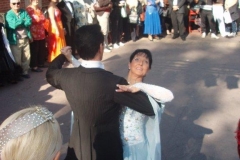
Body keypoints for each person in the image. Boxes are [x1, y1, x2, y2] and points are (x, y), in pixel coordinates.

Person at [46, 24, 155, 160]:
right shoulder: (113, 82)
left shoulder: (66, 76)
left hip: (78, 147)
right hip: (106, 150)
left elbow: (50, 73)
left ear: (79, 50)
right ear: (101, 47)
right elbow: (148, 107)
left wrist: (63, 56)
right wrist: (139, 87)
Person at [67, 48, 174, 160]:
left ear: (148, 70)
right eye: (137, 59)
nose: (141, 63)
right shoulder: (117, 85)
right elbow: (93, 74)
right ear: (129, 64)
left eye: (146, 62)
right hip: (113, 146)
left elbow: (169, 95)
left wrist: (138, 87)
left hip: (137, 149)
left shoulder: (147, 93)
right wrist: (71, 59)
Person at [5, 0, 32, 79]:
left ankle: (25, 71)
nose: (16, 5)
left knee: (27, 56)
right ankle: (18, 74)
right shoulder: (8, 14)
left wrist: (20, 22)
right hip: (15, 40)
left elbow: (29, 21)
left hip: (25, 37)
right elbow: (13, 25)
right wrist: (23, 21)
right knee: (17, 58)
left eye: (18, 3)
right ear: (10, 4)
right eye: (14, 3)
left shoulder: (23, 11)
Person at [26, 0, 48, 72]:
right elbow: (28, 22)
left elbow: (43, 19)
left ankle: (41, 63)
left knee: (41, 48)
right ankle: (34, 66)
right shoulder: (28, 10)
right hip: (34, 32)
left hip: (41, 31)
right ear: (30, 1)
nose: (36, 1)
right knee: (34, 49)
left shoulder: (38, 8)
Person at [0, 16, 22, 85]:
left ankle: (11, 78)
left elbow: (3, 37)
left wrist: (6, 46)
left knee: (7, 62)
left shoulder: (0, 26)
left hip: (2, 47)